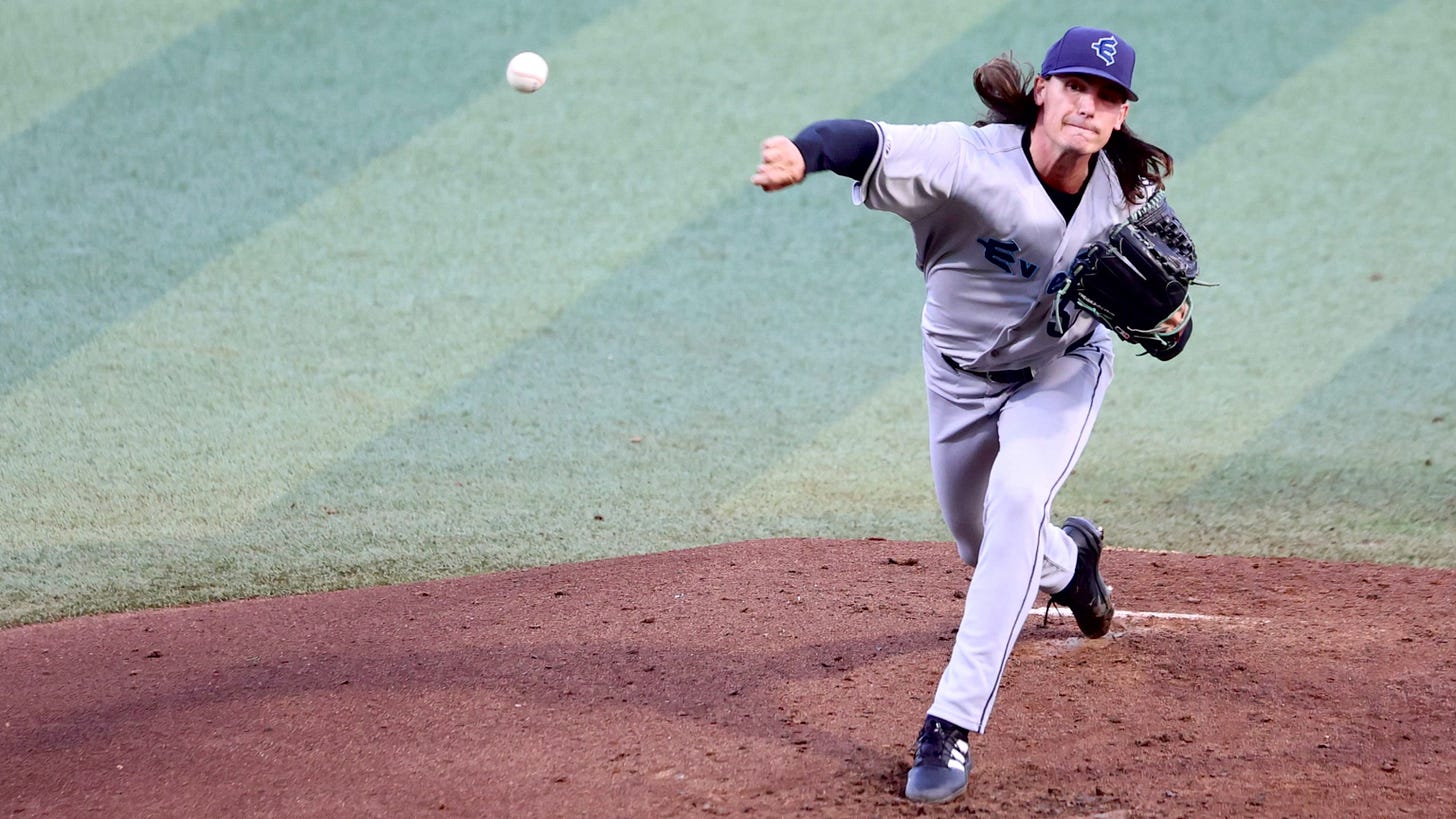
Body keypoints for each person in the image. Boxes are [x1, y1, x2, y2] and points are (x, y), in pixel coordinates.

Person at [751, 26, 1192, 804]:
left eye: (1109, 97)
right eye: (1078, 88)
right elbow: (861, 140)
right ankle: (1071, 563)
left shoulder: (1129, 200)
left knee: (1019, 496)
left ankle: (948, 723)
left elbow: (1175, 326)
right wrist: (801, 152)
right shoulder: (967, 158)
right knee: (980, 538)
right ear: (1044, 92)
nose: (1090, 107)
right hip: (957, 376)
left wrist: (1170, 325)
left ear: (1122, 116)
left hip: (1060, 373)